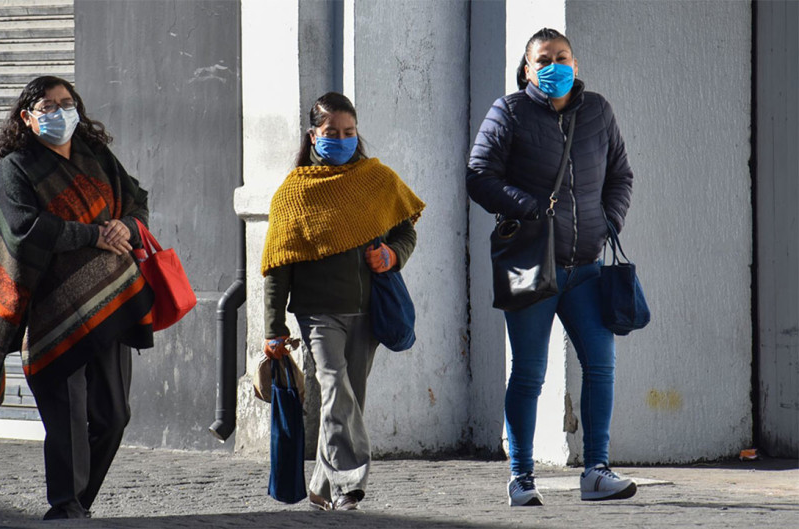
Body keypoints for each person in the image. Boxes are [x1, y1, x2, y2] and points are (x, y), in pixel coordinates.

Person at [466, 28, 636, 506]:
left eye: (562, 57)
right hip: (532, 267)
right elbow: (479, 176)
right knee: (530, 373)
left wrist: (609, 220)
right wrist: (530, 207)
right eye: (544, 59)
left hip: (586, 268)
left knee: (601, 366)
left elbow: (620, 174)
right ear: (528, 69)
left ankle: (596, 471)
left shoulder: (598, 111)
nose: (554, 65)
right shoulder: (510, 112)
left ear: (576, 65)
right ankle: (521, 476)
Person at [0, 76, 154, 520]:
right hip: (50, 312)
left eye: (67, 103)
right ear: (28, 117)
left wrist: (126, 227)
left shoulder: (96, 157)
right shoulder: (17, 167)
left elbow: (137, 201)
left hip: (111, 302)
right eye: (49, 106)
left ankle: (77, 502)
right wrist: (94, 234)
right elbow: (24, 228)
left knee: (114, 416)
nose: (60, 112)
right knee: (68, 420)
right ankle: (66, 505)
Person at [261, 92, 425, 511]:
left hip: (367, 309)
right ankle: (350, 485)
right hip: (317, 313)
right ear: (313, 136)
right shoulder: (293, 194)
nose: (341, 138)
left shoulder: (377, 180)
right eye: (331, 132)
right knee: (335, 389)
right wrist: (273, 328)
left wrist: (391, 256)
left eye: (349, 132)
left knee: (351, 399)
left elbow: (405, 233)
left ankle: (320, 485)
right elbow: (278, 266)